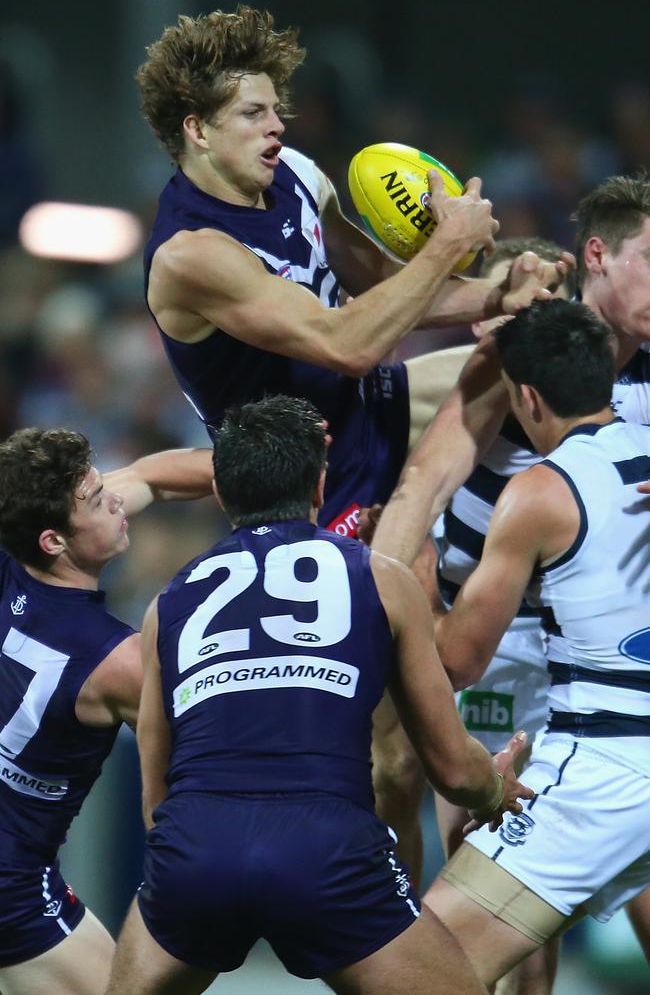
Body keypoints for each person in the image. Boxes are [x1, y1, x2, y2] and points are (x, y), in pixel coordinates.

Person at [103, 394, 533, 995]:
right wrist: (492, 791)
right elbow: (452, 770)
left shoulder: (167, 603)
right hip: (327, 848)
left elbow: (156, 796)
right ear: (321, 484)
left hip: (197, 848)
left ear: (222, 495)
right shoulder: (381, 577)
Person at [136, 7, 570, 537]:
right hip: (306, 488)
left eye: (275, 109)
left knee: (546, 351)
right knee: (407, 609)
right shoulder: (191, 255)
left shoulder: (294, 174)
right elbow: (347, 345)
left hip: (368, 408)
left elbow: (382, 282)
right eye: (253, 113)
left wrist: (500, 295)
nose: (277, 125)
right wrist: (448, 243)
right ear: (198, 130)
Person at [370, 177, 650, 990]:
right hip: (499, 632)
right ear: (597, 256)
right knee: (486, 861)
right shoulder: (516, 350)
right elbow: (423, 482)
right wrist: (395, 588)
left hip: (598, 656)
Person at [420, 299, 650, 986]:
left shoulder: (540, 491)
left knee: (423, 962)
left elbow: (457, 660)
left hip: (603, 767)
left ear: (525, 397)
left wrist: (413, 589)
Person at [0, 430, 213, 995]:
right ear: (53, 541)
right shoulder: (118, 660)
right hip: (10, 884)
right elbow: (223, 735)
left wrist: (268, 469)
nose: (114, 499)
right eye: (97, 501)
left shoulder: (14, 551)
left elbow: (147, 478)